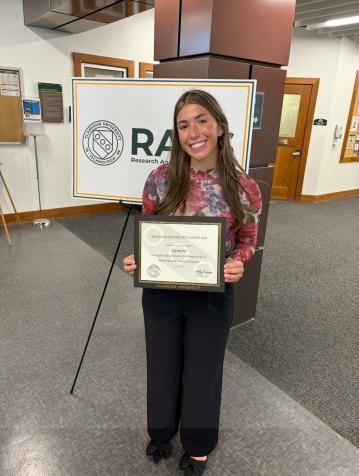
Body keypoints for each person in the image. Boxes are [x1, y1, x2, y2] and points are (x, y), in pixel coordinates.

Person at [123, 89, 262, 475]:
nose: (193, 131)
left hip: (212, 296)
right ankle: (162, 432)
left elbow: (248, 241)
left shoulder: (243, 186)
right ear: (177, 133)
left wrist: (238, 262)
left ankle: (198, 444)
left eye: (202, 120)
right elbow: (149, 232)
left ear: (219, 127)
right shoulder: (160, 179)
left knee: (203, 371)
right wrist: (139, 260)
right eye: (183, 125)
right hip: (162, 293)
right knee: (162, 365)